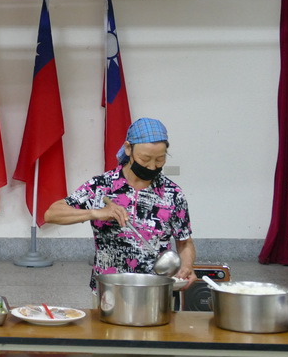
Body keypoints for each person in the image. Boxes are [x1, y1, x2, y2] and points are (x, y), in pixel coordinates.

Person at [44, 117, 197, 293]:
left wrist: (187, 266)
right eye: (145, 158)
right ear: (128, 149)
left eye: (160, 160)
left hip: (156, 292)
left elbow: (184, 242)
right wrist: (95, 213)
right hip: (109, 290)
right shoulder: (102, 186)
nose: (152, 166)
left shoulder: (173, 193)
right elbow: (52, 213)